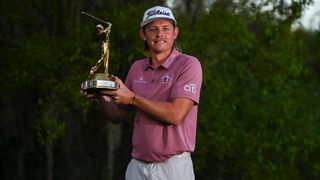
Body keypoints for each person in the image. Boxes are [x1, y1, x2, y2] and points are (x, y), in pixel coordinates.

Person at [81, 5, 202, 180]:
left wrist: (132, 98)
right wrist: (102, 94)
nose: (160, 34)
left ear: (175, 32)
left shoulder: (188, 64)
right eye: (153, 29)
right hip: (137, 166)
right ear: (143, 34)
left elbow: (176, 114)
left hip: (173, 167)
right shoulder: (137, 68)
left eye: (166, 28)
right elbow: (118, 116)